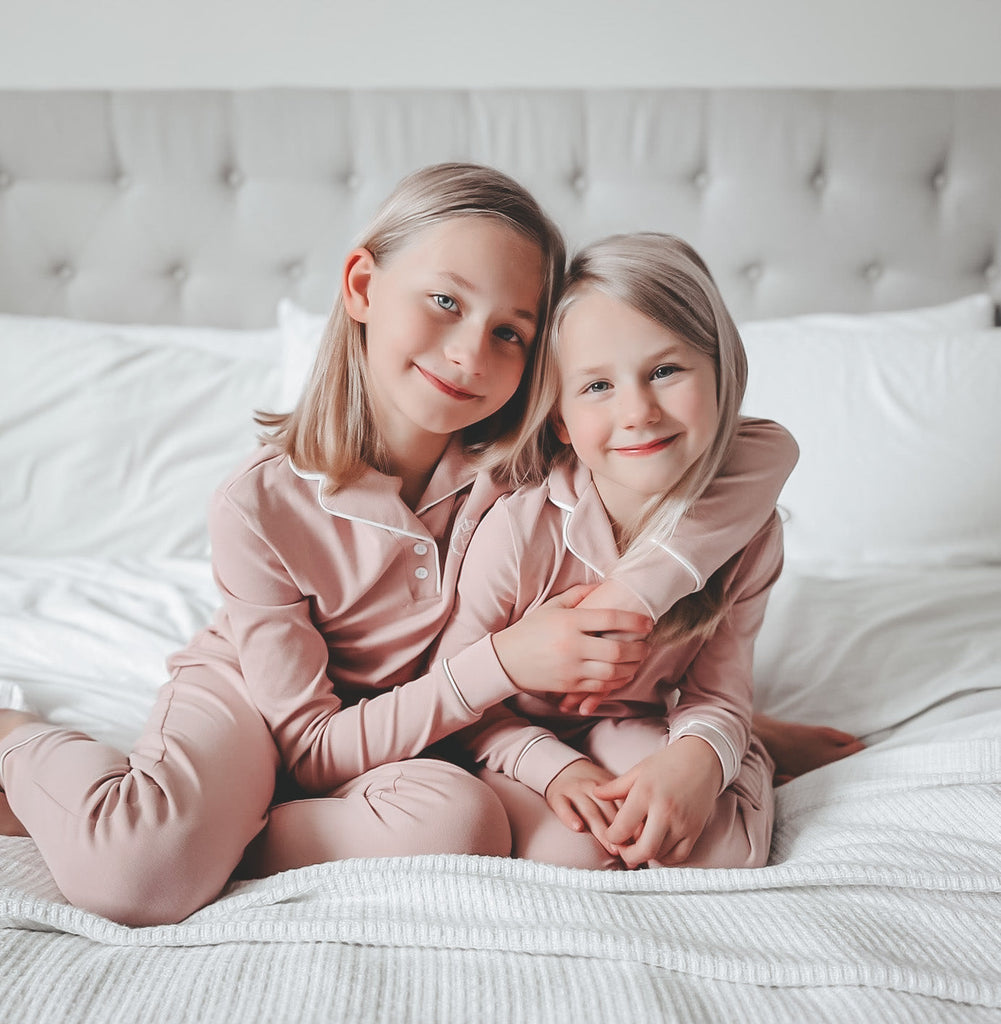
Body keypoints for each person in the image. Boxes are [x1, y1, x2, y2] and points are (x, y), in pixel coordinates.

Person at [0, 166, 798, 926]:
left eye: (512, 332)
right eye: (445, 301)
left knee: (457, 827)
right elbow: (309, 742)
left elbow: (756, 450)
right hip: (272, 710)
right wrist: (510, 663)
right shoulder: (259, 504)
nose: (470, 353)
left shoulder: (522, 465)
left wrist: (706, 732)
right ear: (361, 286)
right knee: (141, 877)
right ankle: (21, 745)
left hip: (430, 731)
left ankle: (221, 829)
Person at [429, 232, 817, 871]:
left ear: (722, 375)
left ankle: (749, 752)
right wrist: (555, 769)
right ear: (559, 419)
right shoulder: (520, 531)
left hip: (632, 719)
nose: (638, 411)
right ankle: (747, 740)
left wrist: (698, 759)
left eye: (665, 371)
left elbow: (716, 690)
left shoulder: (748, 531)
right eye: (598, 387)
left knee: (715, 851)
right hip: (509, 735)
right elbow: (458, 698)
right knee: (576, 856)